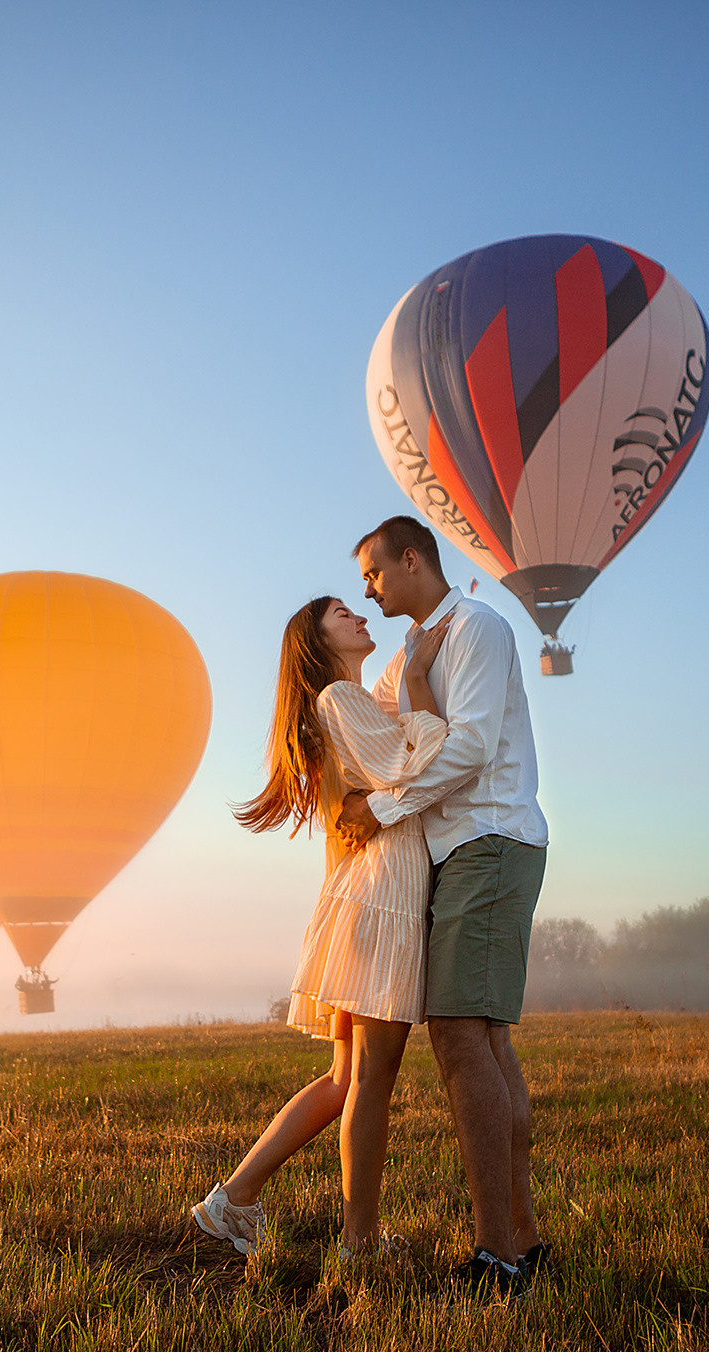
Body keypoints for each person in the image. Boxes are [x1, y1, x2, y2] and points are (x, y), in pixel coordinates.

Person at [188, 595, 454, 1261]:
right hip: (382, 901)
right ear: (317, 640)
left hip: (357, 901)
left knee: (344, 1080)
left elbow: (387, 771)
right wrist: (418, 679)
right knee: (370, 1081)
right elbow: (416, 764)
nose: (359, 615)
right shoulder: (340, 697)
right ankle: (358, 1244)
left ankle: (233, 1199)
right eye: (341, 612)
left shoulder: (337, 707)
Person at [337, 515, 551, 1298]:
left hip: (489, 837)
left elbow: (468, 747)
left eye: (373, 572)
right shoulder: (410, 653)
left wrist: (381, 809)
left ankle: (497, 1257)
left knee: (461, 1035)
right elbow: (384, 733)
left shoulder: (479, 629)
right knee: (485, 1039)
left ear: (411, 558)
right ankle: (521, 1241)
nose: (367, 588)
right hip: (458, 851)